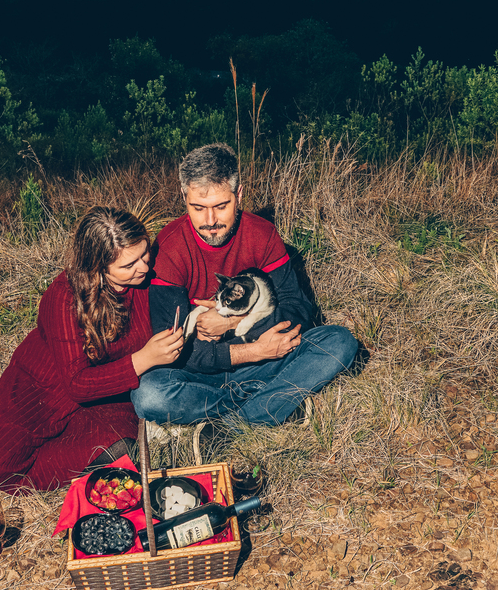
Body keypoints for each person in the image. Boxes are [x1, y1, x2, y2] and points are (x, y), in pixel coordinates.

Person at [0, 207, 184, 492]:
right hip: (42, 394)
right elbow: (77, 383)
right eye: (129, 265)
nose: (144, 267)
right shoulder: (64, 297)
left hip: (104, 399)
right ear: (97, 267)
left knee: (121, 449)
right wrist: (143, 359)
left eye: (144, 254)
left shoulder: (148, 280)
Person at [131, 143, 359, 428]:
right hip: (202, 371)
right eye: (198, 208)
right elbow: (173, 348)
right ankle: (271, 402)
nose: (210, 221)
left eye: (221, 206)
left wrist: (233, 322)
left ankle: (231, 423)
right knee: (148, 394)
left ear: (238, 195)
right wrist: (252, 350)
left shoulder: (262, 234)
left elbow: (298, 309)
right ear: (183, 197)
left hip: (267, 360)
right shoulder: (168, 246)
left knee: (339, 341)